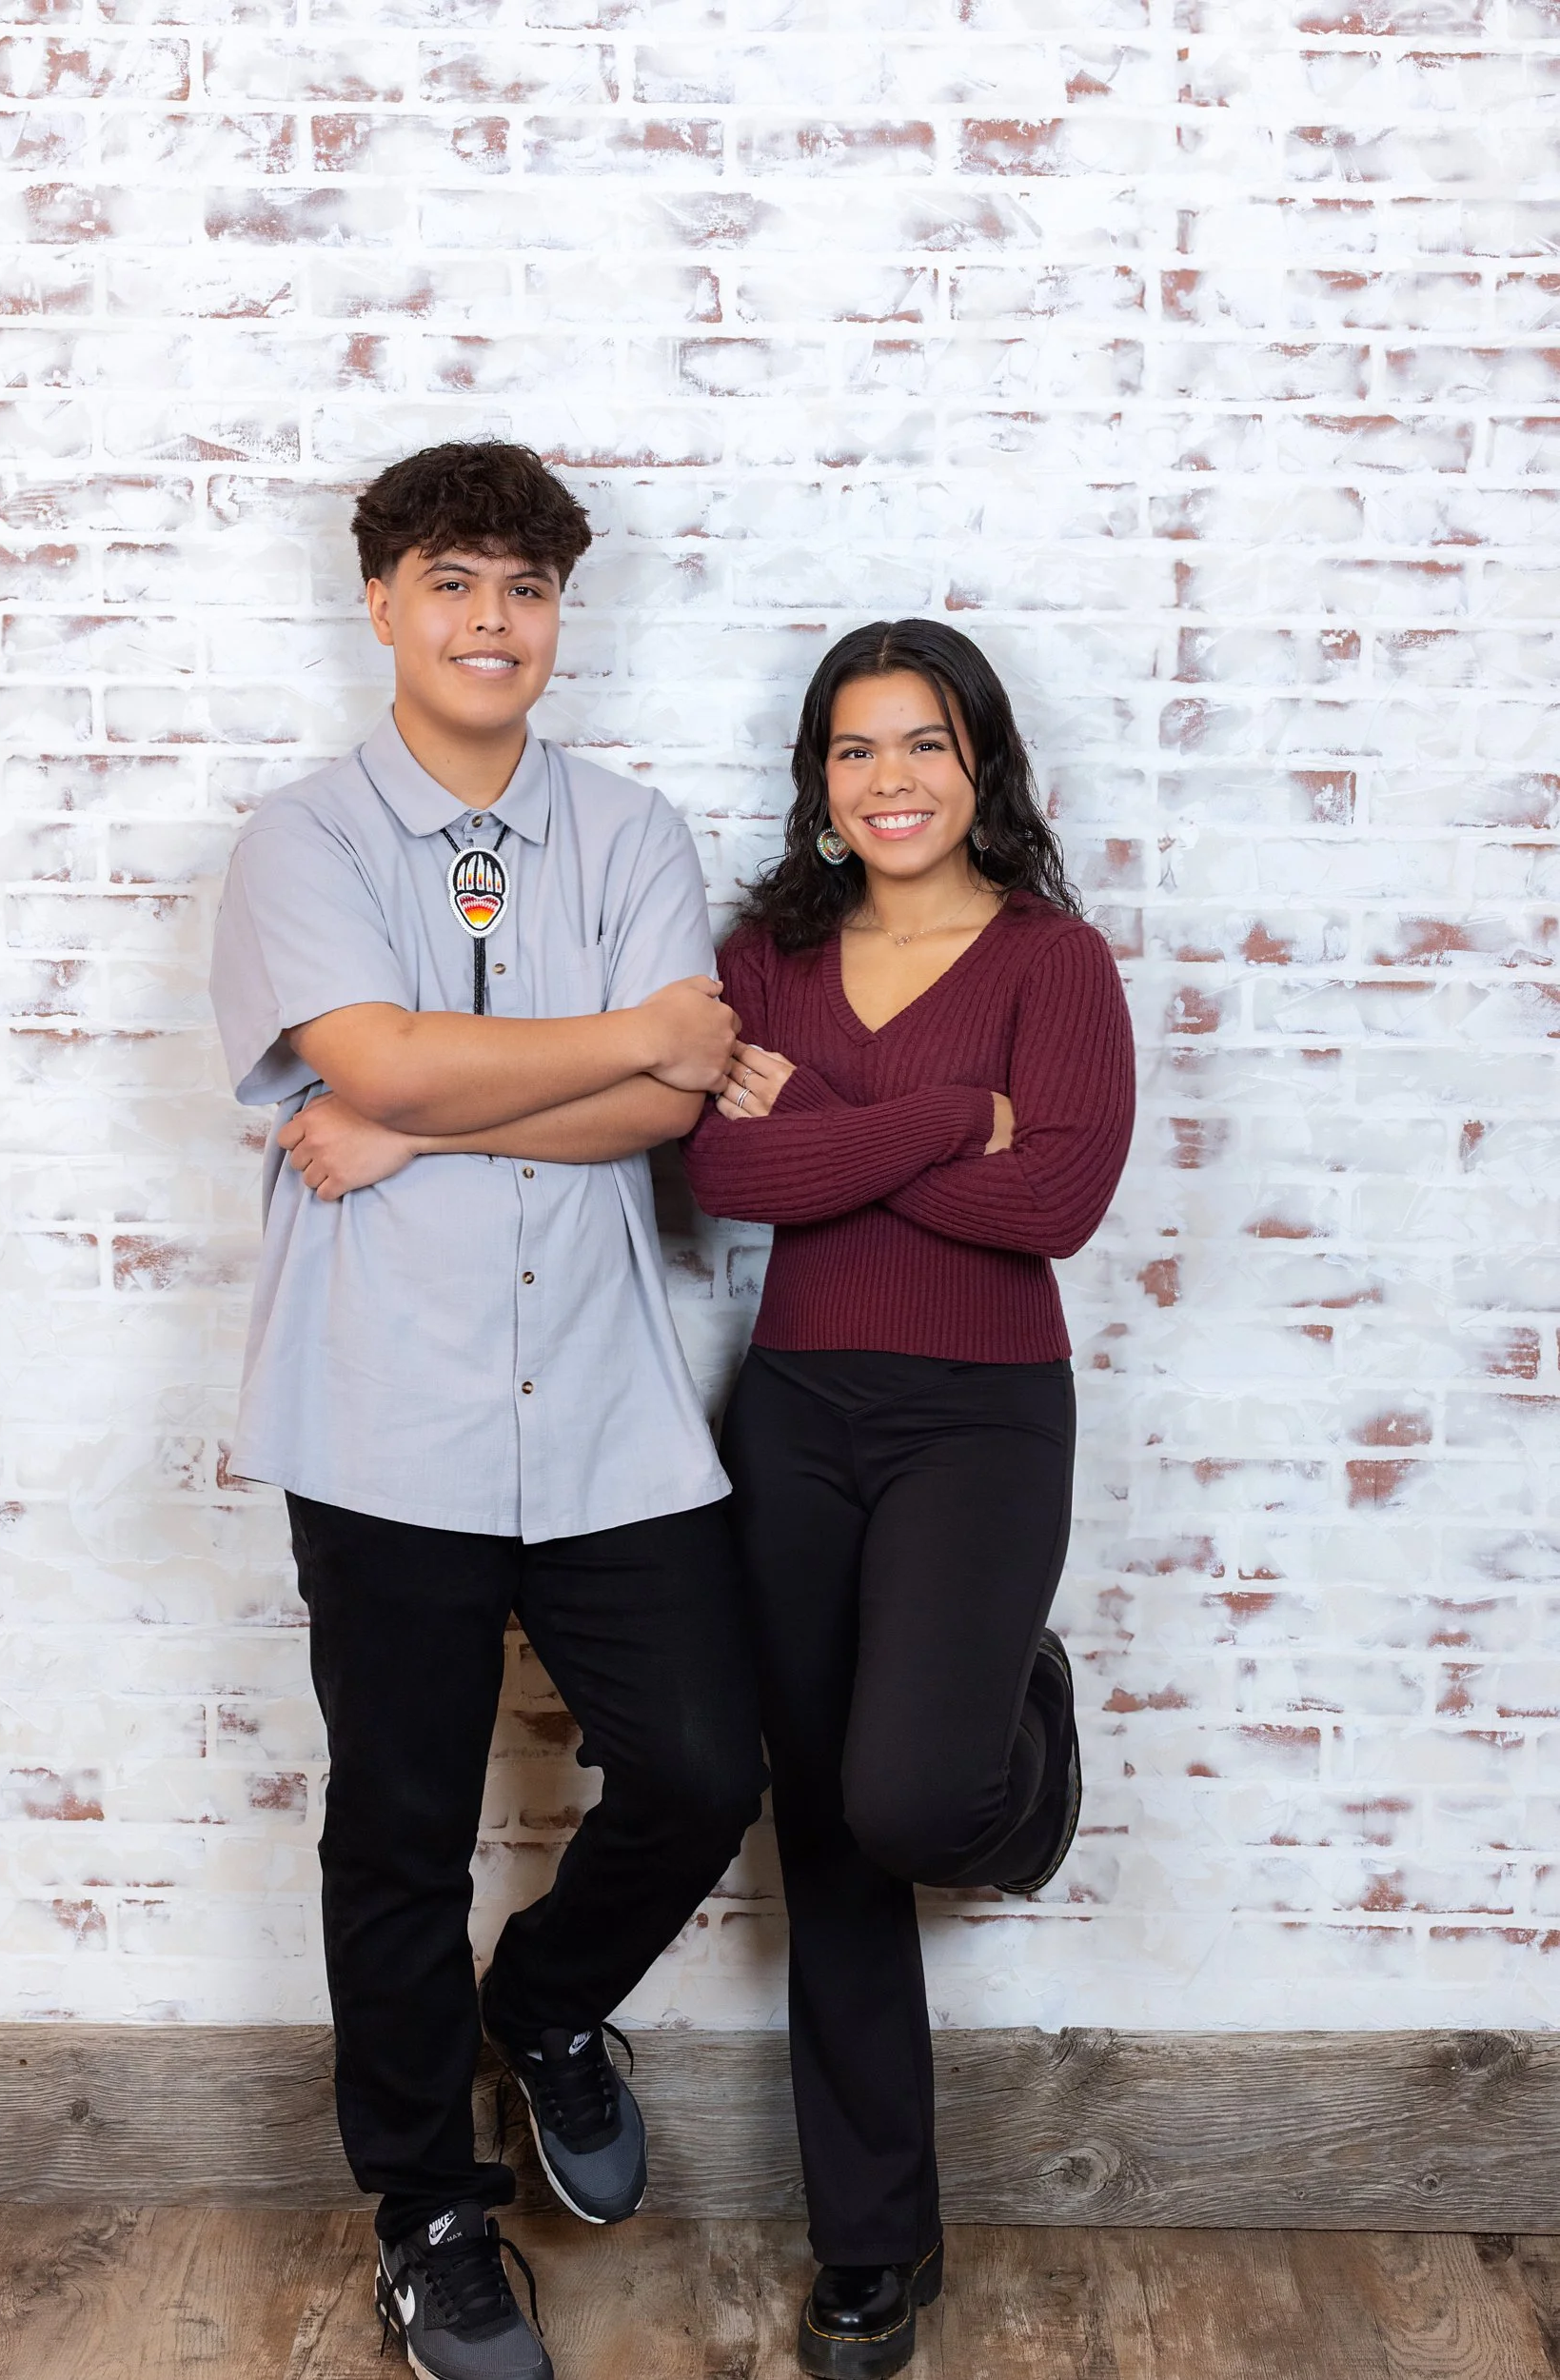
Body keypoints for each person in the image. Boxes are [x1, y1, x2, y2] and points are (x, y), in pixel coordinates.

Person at [208, 440, 766, 2380]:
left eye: (524, 589)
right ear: (380, 601)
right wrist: (606, 1037)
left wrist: (428, 1099)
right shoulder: (299, 839)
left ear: (558, 618)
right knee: (396, 1826)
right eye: (452, 582)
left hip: (607, 1406)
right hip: (381, 1412)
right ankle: (427, 2210)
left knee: (702, 1760)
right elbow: (368, 1053)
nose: (489, 622)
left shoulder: (627, 835)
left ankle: (541, 2005)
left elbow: (666, 1108)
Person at [682, 619, 1135, 2380]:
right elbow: (726, 1168)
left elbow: (1060, 1209)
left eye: (924, 746)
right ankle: (874, 2248)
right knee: (825, 1842)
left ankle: (1019, 1715)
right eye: (855, 751)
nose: (890, 782)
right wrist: (959, 1118)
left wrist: (843, 1129)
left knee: (911, 1800)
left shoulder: (1054, 959)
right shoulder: (760, 960)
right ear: (816, 785)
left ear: (982, 766)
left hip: (983, 1417)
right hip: (791, 1414)